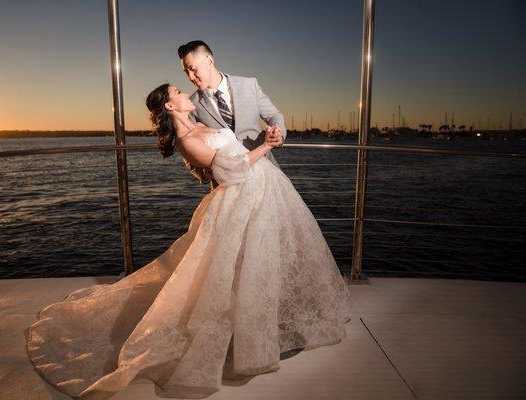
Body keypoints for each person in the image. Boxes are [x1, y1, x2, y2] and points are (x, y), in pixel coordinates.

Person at [25, 83, 352, 400]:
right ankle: (245, 336)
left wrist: (267, 136)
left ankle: (273, 322)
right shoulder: (185, 138)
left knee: (264, 261)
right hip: (241, 197)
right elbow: (230, 171)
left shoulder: (198, 123)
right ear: (170, 105)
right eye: (178, 93)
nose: (185, 93)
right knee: (236, 268)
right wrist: (266, 146)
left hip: (267, 189)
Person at [177, 40, 286, 190]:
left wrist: (277, 133)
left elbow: (274, 116)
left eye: (193, 69)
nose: (190, 76)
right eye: (186, 72)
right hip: (227, 186)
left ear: (209, 61)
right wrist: (203, 173)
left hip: (265, 173)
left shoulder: (249, 85)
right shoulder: (191, 105)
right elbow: (189, 153)